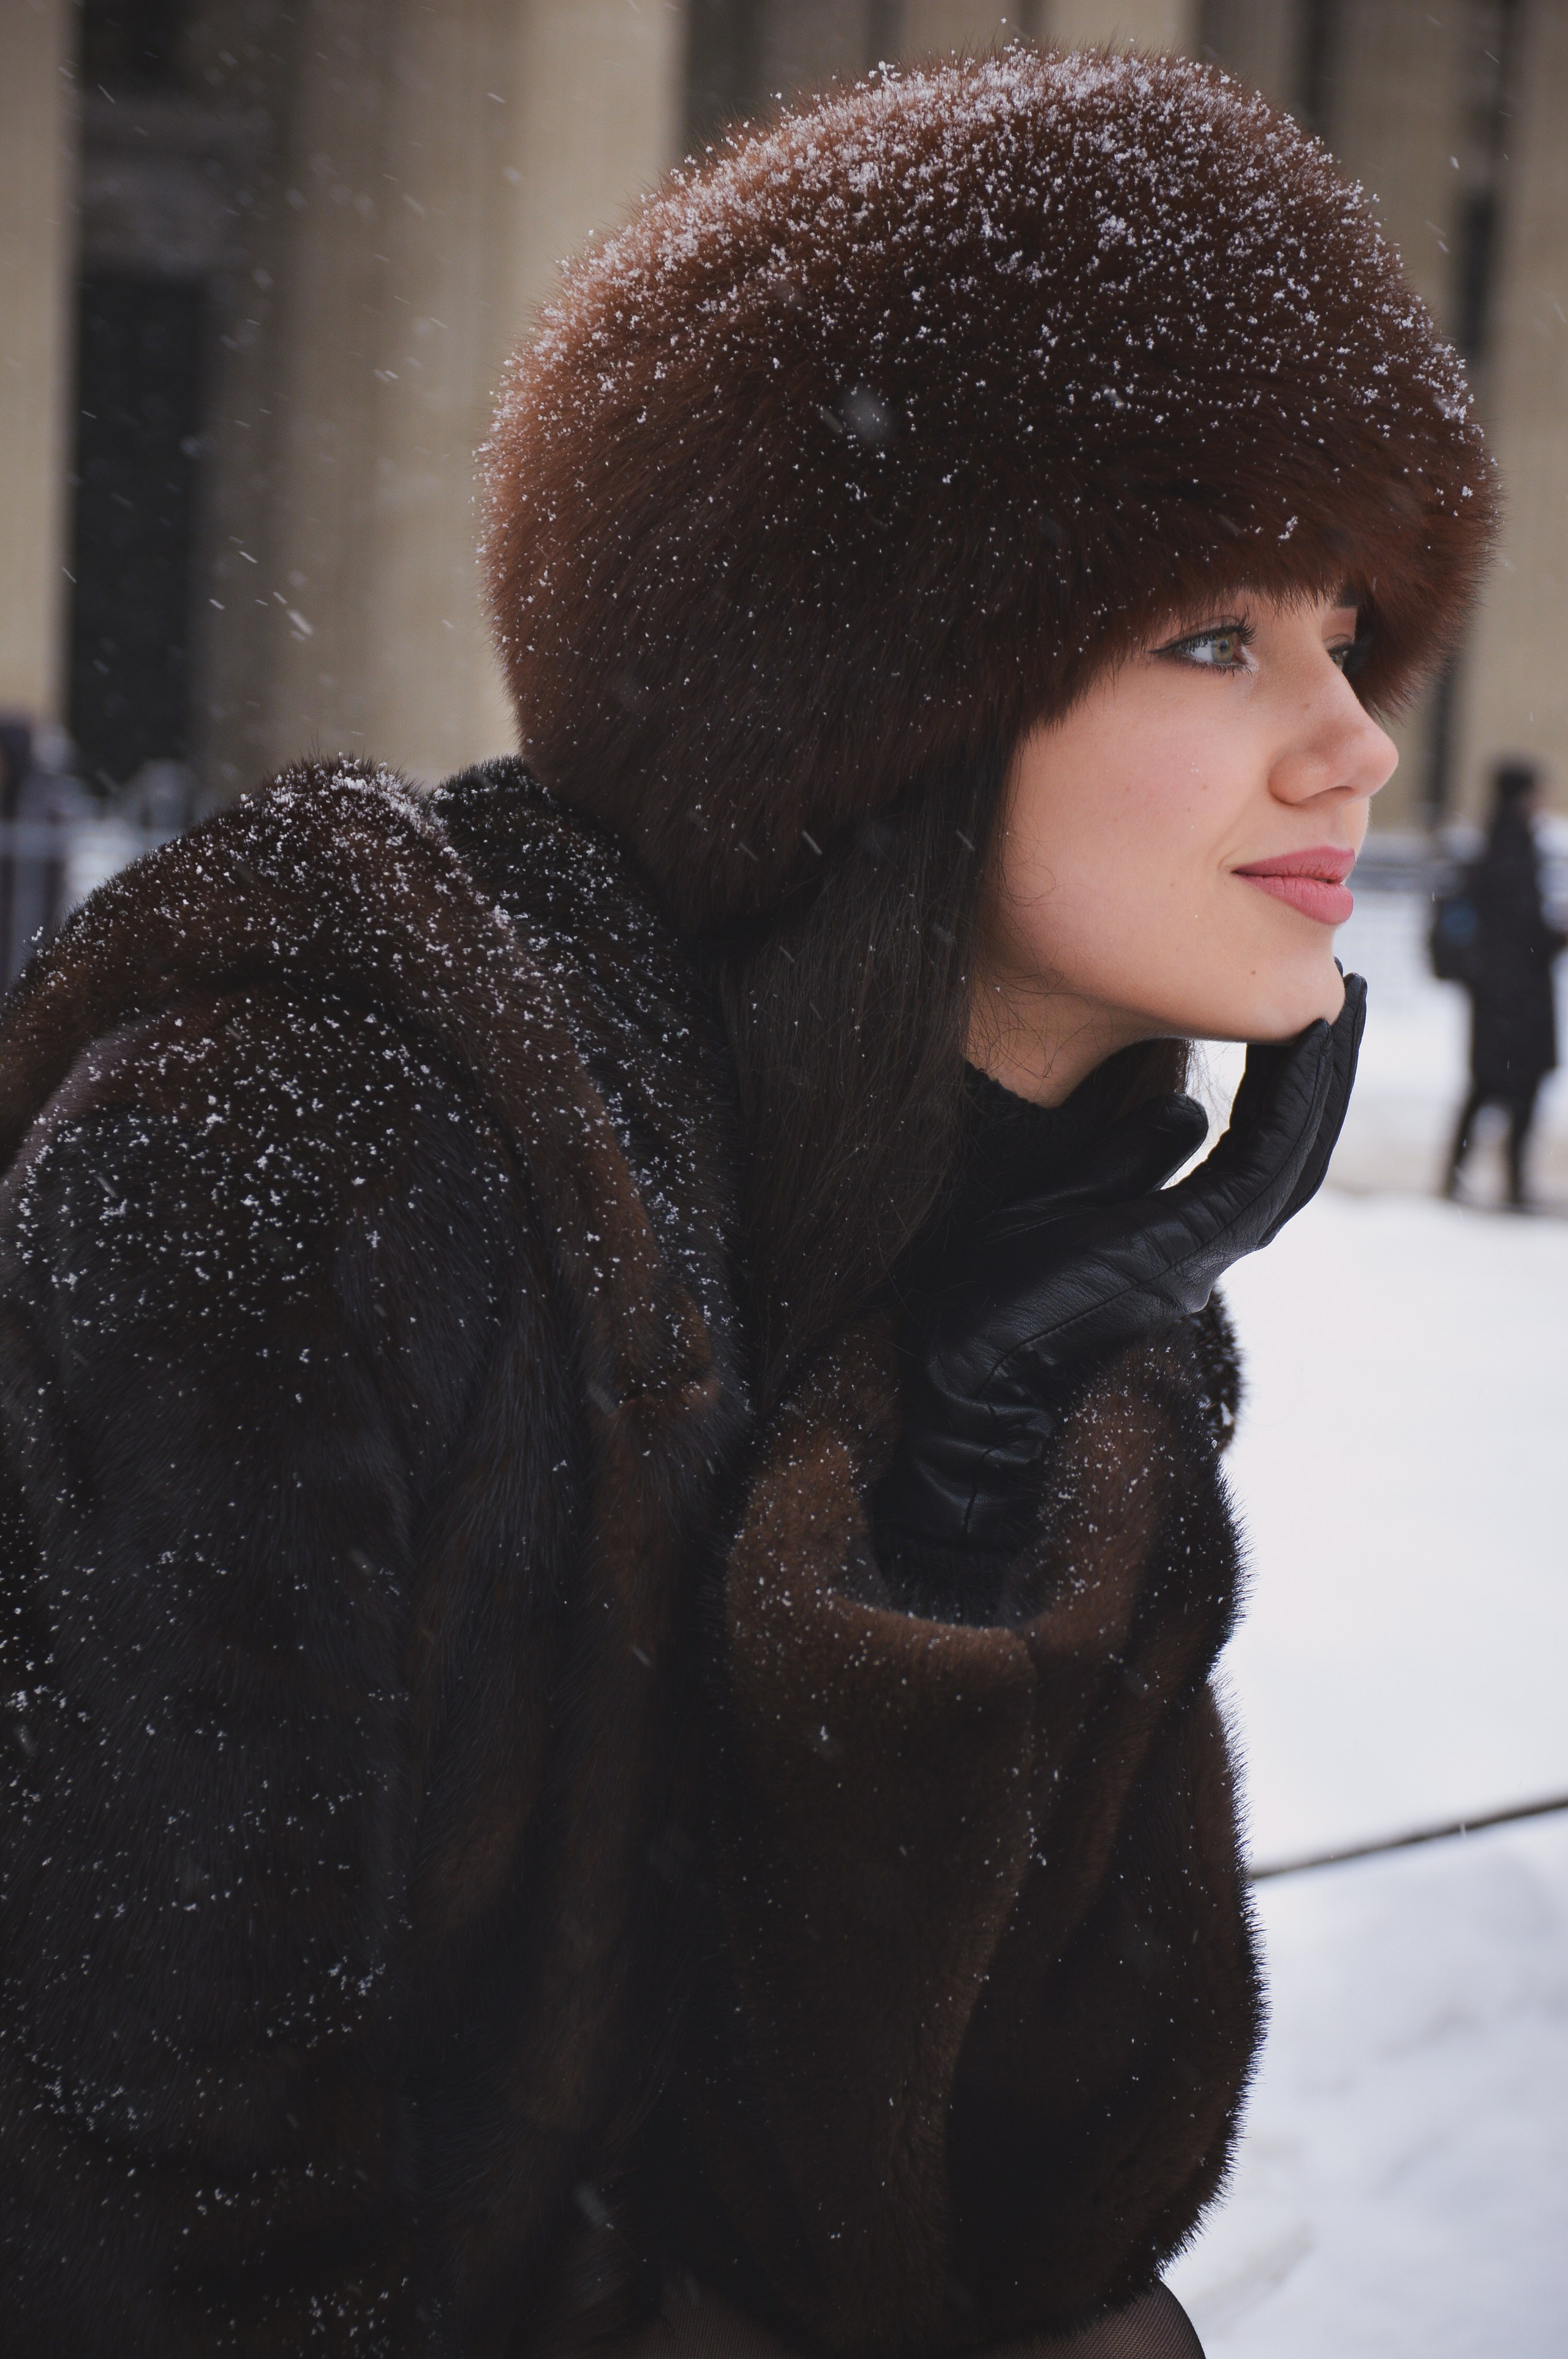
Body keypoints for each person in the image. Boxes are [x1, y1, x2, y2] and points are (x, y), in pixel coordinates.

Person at [0, 49, 1491, 2359]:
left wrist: (966, 1492)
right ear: (875, 692)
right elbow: (161, 2249)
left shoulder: (1042, 1306)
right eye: (1216, 637)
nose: (1354, 739)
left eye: (1339, 628)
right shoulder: (303, 1172)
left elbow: (990, 2231)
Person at [1443, 760, 1564, 1208]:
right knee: (1518, 1091)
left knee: (1485, 1088)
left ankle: (1458, 1176)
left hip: (1497, 996)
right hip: (1518, 1000)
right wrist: (1555, 936)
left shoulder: (1494, 845)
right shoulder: (1515, 850)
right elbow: (1522, 934)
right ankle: (1512, 1184)